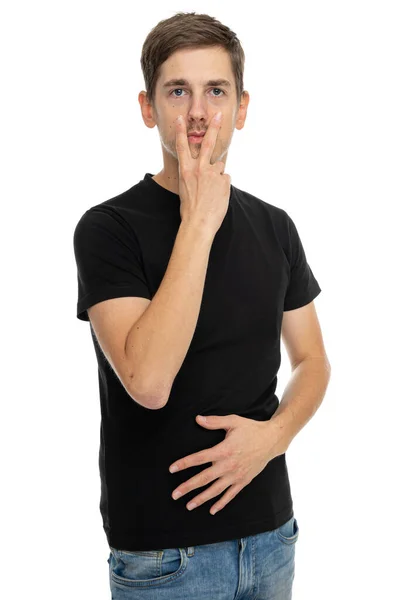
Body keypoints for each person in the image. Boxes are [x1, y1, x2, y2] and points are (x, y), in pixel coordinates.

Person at [73, 11, 331, 600]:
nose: (197, 110)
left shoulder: (276, 226)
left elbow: (313, 361)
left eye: (216, 90)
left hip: (272, 538)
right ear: (148, 108)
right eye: (177, 90)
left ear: (241, 107)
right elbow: (148, 379)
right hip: (164, 559)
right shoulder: (108, 229)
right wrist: (199, 221)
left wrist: (275, 437)